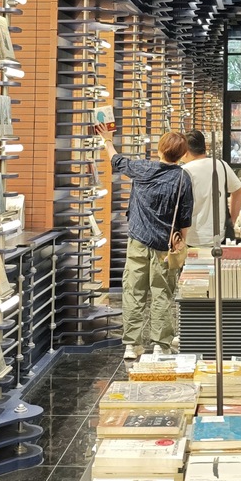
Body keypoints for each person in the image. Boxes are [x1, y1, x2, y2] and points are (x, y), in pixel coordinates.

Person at [96, 123, 193, 360]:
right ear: (182, 155)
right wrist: (181, 243)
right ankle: (161, 344)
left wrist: (107, 139)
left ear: (160, 150)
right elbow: (185, 216)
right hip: (164, 245)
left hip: (138, 240)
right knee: (162, 293)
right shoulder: (182, 178)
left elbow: (117, 161)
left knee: (133, 291)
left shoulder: (142, 168)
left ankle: (132, 344)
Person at [182, 130, 241, 247]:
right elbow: (239, 190)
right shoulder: (221, 165)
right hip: (219, 235)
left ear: (185, 151)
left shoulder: (184, 171)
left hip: (191, 237)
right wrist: (232, 221)